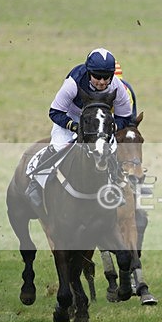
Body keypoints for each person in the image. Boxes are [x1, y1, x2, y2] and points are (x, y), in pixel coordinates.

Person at [25, 48, 133, 209]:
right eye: (97, 76)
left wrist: (111, 128)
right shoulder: (73, 82)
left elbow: (125, 117)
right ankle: (36, 184)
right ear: (89, 73)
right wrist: (74, 126)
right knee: (58, 146)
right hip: (71, 117)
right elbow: (55, 112)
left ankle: (115, 186)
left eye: (106, 77)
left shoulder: (117, 87)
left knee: (111, 148)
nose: (102, 82)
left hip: (99, 123)